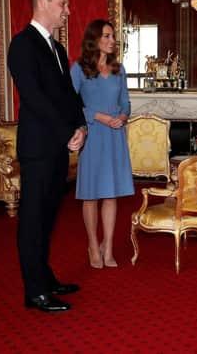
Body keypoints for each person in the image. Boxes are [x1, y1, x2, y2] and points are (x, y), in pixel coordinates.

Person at [7, 0, 87, 313]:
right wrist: (64, 132)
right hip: (39, 147)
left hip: (57, 146)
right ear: (43, 3)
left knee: (48, 218)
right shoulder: (22, 45)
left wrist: (80, 126)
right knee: (33, 220)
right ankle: (35, 292)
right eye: (62, 4)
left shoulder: (55, 46)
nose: (67, 10)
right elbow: (34, 99)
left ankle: (45, 277)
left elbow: (67, 94)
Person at [70, 19, 134, 269]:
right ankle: (92, 245)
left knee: (110, 193)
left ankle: (108, 247)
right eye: (106, 36)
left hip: (115, 136)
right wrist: (98, 116)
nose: (111, 41)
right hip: (93, 135)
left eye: (113, 36)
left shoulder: (119, 69)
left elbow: (126, 103)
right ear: (94, 39)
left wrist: (121, 116)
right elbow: (71, 104)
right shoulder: (79, 69)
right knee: (91, 194)